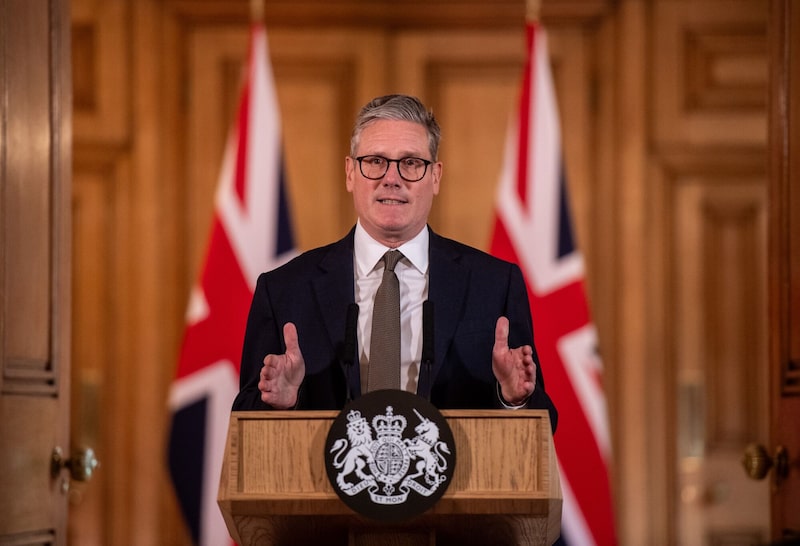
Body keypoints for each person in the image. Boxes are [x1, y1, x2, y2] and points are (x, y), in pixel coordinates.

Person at [232, 94, 557, 431]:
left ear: (435, 177)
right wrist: (281, 403)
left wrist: (514, 399)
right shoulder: (285, 289)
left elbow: (544, 422)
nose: (391, 178)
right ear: (349, 173)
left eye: (411, 163)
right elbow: (243, 415)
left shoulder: (493, 285)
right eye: (375, 161)